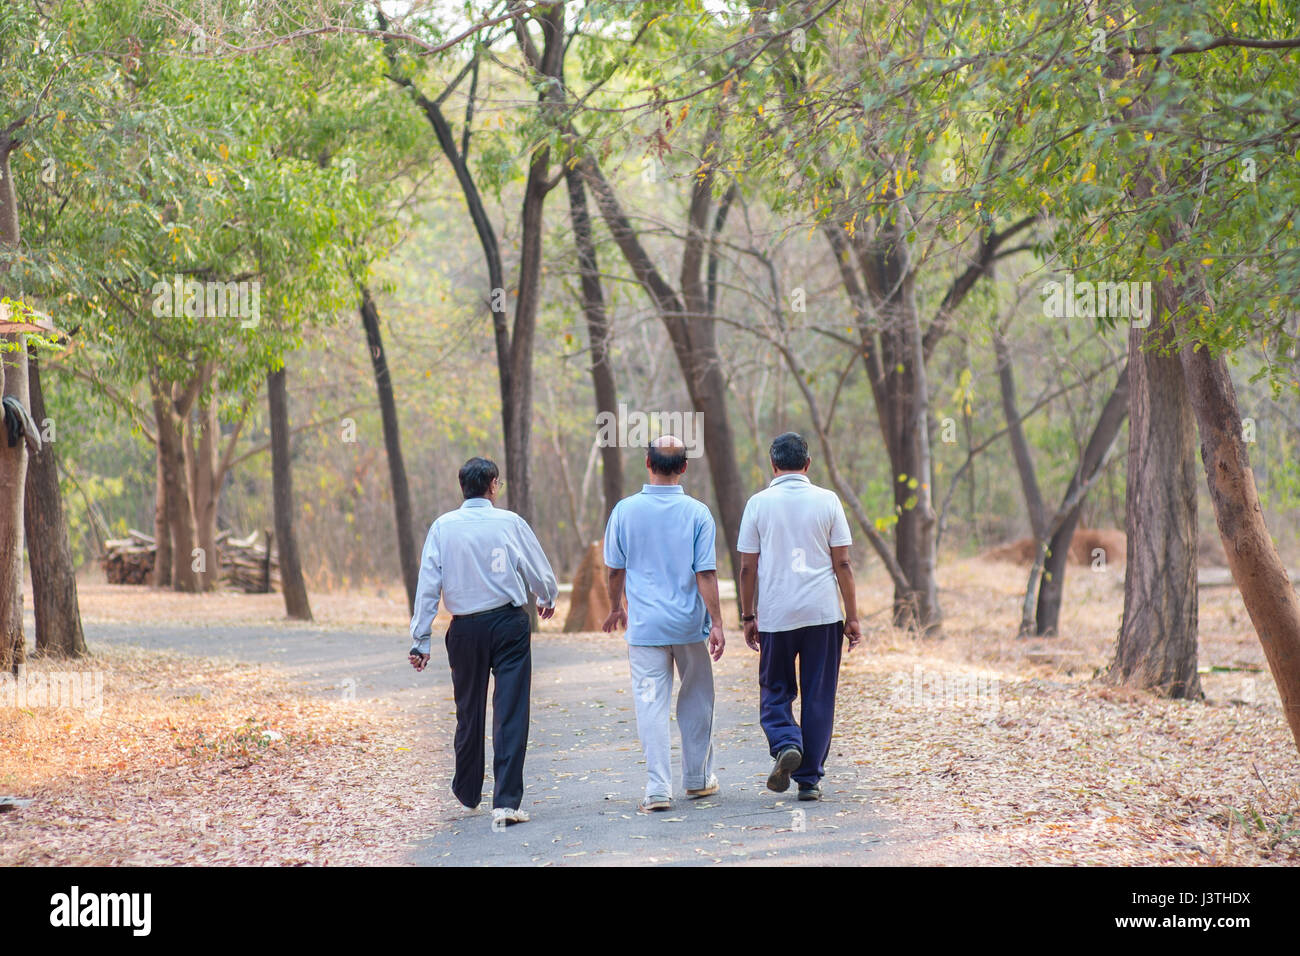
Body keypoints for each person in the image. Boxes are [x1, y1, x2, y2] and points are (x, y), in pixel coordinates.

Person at [408, 456, 558, 828]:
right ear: (492, 484)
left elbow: (429, 584)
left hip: (465, 629)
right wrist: (546, 596)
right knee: (511, 710)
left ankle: (468, 790)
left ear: (463, 487)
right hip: (508, 623)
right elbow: (536, 567)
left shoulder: (443, 527)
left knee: (468, 709)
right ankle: (506, 802)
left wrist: (421, 639)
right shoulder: (509, 522)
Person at [602, 435, 725, 813]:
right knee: (698, 698)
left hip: (645, 628)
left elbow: (614, 570)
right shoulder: (698, 513)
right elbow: (705, 573)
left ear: (648, 464)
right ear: (684, 467)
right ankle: (697, 780)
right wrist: (717, 622)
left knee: (650, 704)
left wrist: (615, 608)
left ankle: (657, 789)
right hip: (690, 625)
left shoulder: (625, 510)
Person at [737, 432, 861, 802]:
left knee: (775, 688)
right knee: (819, 695)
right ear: (807, 465)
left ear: (772, 465)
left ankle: (787, 741)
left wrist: (748, 615)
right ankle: (809, 780)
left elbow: (747, 567)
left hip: (776, 614)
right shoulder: (828, 500)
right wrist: (852, 616)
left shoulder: (757, 504)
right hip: (823, 614)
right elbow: (843, 563)